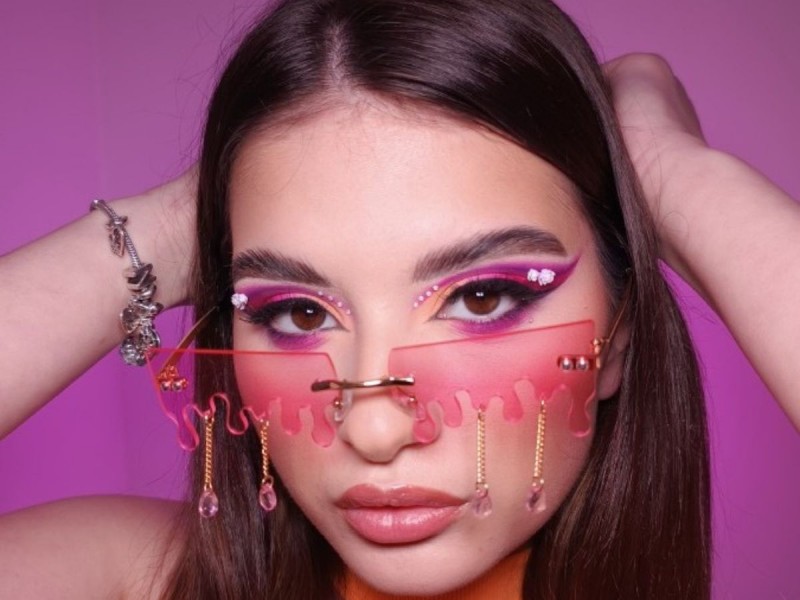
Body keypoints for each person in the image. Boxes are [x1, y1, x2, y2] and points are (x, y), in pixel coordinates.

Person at [0, 0, 798, 598]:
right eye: (297, 312)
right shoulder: (140, 579)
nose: (374, 429)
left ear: (617, 338)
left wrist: (666, 171)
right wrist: (182, 225)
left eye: (482, 299)